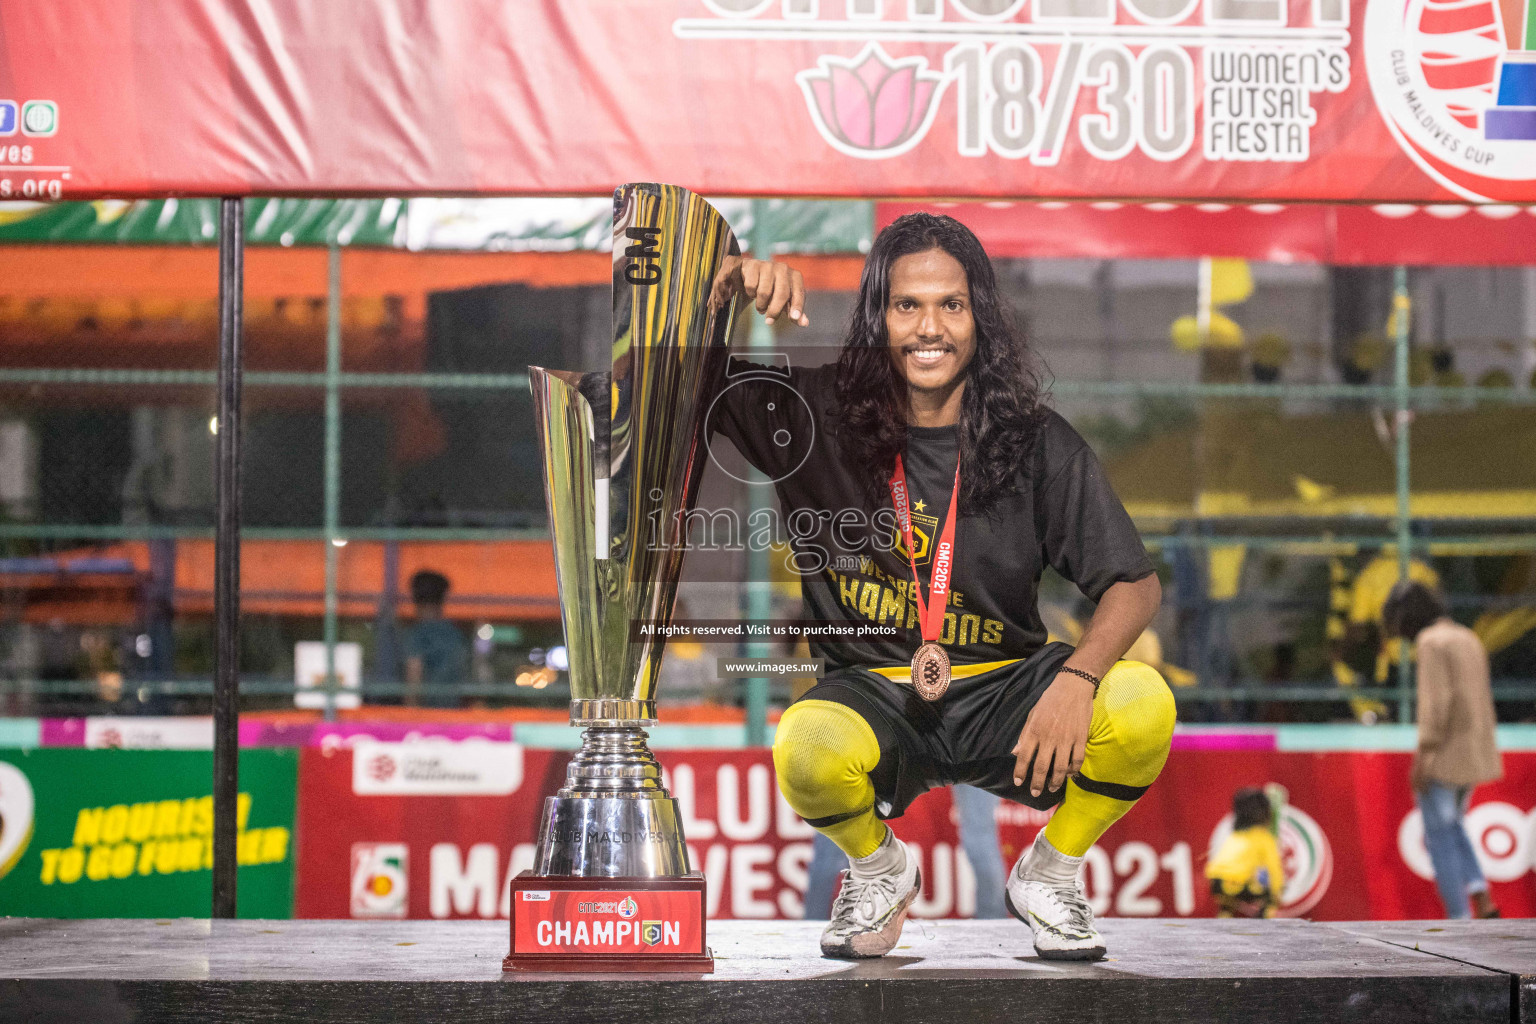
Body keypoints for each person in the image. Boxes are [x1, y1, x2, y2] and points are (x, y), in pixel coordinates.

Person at [710, 214, 1175, 961]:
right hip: (875, 693)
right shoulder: (812, 417)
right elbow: (664, 394)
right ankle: (878, 867)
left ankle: (1051, 872)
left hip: (1003, 695)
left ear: (979, 318)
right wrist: (721, 295)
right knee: (804, 747)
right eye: (907, 306)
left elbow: (1134, 584)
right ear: (876, 318)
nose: (931, 328)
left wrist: (1079, 678)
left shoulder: (1032, 439)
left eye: (951, 305)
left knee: (1143, 704)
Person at [1383, 580, 1502, 920]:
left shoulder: (1430, 643)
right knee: (1454, 825)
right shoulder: (1467, 636)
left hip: (1444, 756)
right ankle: (1480, 889)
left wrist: (1423, 758)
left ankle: (1460, 916)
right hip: (1476, 753)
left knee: (1440, 839)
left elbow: (1436, 706)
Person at [802, 784, 1008, 921]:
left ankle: (812, 926)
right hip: (971, 731)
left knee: (838, 829)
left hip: (901, 726)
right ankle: (994, 926)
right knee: (981, 838)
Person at [1206, 785, 1285, 918]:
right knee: (1269, 897)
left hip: (1216, 882)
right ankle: (1266, 922)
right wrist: (1277, 892)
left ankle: (1224, 917)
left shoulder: (1235, 835)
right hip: (1237, 883)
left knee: (1228, 903)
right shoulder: (1263, 837)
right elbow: (1274, 869)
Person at [401, 569, 469, 708]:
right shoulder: (456, 633)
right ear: (443, 598)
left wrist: (410, 718)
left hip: (428, 716)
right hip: (455, 713)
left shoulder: (417, 635)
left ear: (415, 597)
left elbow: (413, 681)